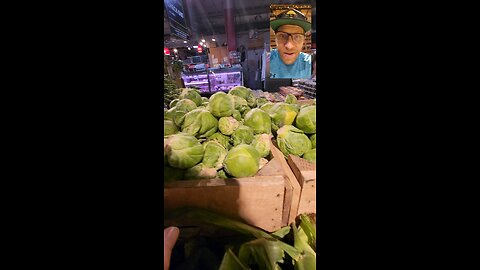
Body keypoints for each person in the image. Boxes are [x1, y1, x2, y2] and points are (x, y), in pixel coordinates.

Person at [269, 8, 312, 79]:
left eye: (297, 37)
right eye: (282, 36)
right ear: (275, 38)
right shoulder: (266, 61)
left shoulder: (310, 63)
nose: (289, 46)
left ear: (304, 40)